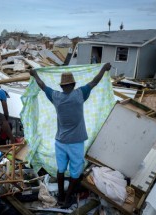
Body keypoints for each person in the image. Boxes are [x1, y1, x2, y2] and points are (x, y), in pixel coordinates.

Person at [29, 63, 111, 208]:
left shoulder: (56, 97)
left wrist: (35, 74)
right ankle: (67, 199)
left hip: (60, 141)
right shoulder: (80, 94)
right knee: (75, 172)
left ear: (61, 86)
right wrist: (104, 69)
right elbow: (94, 82)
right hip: (76, 143)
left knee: (60, 170)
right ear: (73, 85)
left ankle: (60, 195)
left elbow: (42, 86)